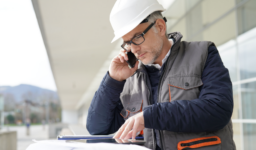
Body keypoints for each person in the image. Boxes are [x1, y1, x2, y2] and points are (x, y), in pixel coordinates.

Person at [86, 0, 236, 150]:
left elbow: (218, 109)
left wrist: (150, 116)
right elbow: (97, 128)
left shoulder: (202, 53)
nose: (134, 49)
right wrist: (113, 80)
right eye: (127, 42)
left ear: (160, 27)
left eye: (137, 37)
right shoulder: (129, 78)